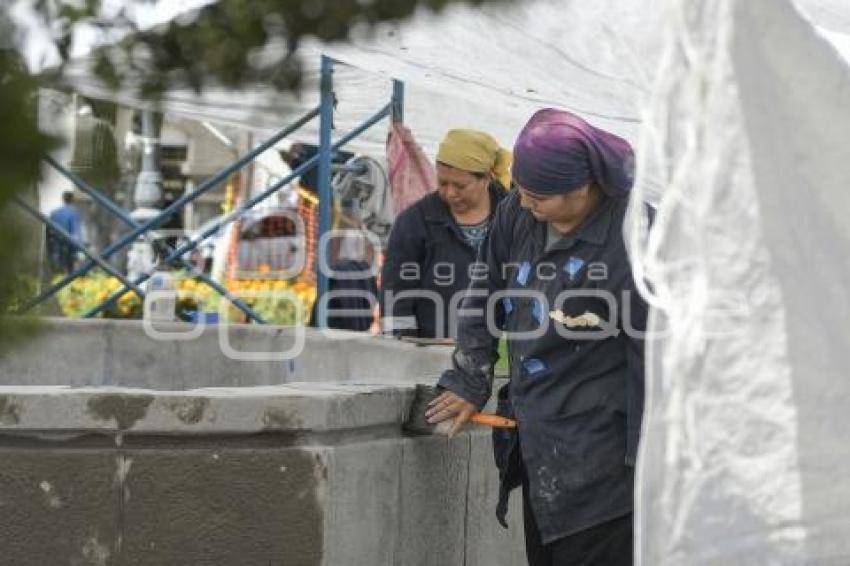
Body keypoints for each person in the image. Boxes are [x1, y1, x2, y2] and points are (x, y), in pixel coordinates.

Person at [425, 109, 649, 565]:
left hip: (605, 466)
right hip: (537, 447)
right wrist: (470, 377)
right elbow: (484, 291)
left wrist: (651, 457)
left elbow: (661, 357)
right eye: (522, 192)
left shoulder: (637, 240)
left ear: (583, 188)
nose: (525, 204)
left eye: (539, 196)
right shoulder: (519, 214)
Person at [381, 129, 512, 338]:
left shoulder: (516, 218)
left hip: (505, 352)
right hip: (433, 350)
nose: (450, 193)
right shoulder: (415, 223)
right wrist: (402, 347)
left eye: (460, 186)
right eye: (442, 183)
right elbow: (396, 295)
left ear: (487, 178)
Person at [47, 191, 84, 274]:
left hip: (56, 247)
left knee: (57, 274)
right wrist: (79, 252)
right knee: (69, 273)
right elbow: (76, 233)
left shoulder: (54, 213)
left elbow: (49, 232)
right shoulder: (74, 213)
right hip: (69, 248)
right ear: (73, 200)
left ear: (63, 199)